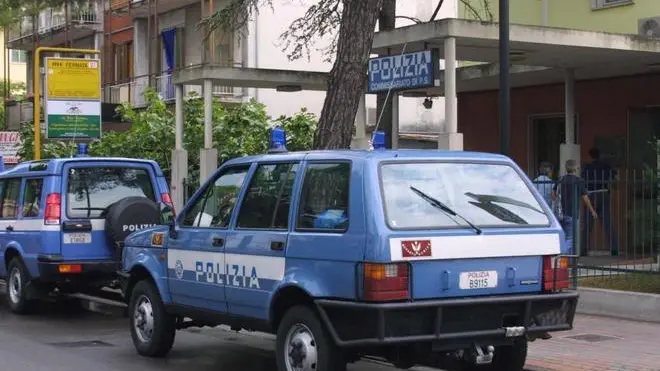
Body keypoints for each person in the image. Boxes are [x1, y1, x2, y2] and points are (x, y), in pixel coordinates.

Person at [553, 159, 598, 253]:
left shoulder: (560, 179)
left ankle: (562, 257)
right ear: (576, 169)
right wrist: (592, 211)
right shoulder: (578, 181)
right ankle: (567, 259)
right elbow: (585, 199)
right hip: (572, 214)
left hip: (559, 213)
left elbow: (553, 196)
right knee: (570, 239)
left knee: (562, 237)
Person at [581, 147, 619, 256]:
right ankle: (614, 248)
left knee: (587, 224)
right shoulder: (606, 166)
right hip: (603, 193)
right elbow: (615, 178)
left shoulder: (587, 167)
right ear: (599, 155)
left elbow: (582, 180)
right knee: (607, 222)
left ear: (590, 156)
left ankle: (583, 249)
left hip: (591, 194)